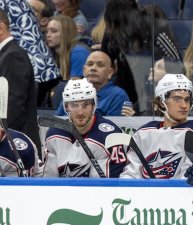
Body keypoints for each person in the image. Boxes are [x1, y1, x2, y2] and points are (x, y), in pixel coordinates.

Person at [120, 74, 193, 179]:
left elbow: (188, 179)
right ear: (161, 102)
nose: (184, 105)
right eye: (177, 99)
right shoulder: (143, 133)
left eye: (187, 99)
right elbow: (130, 175)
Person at [43, 79, 126, 178]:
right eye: (74, 105)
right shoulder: (54, 135)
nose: (80, 112)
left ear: (93, 105)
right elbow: (50, 183)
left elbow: (113, 185)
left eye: (85, 105)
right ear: (66, 107)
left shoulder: (111, 136)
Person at [0, 9, 42, 157]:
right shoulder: (6, 55)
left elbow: (12, 106)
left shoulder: (12, 55)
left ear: (1, 28)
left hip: (18, 147)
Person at [54, 51, 130, 116]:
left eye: (100, 65)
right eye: (90, 64)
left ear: (110, 73)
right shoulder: (71, 90)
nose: (93, 68)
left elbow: (112, 128)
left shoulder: (118, 96)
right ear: (84, 70)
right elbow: (57, 122)